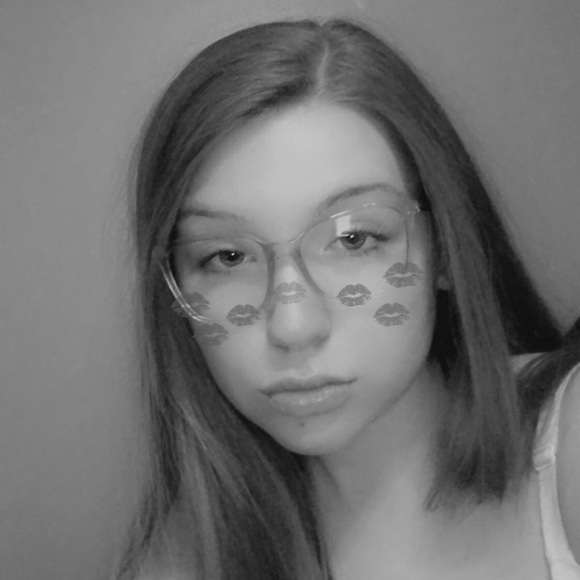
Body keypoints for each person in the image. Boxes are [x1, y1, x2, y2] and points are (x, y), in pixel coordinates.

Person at [115, 17, 580, 580]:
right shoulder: (191, 553)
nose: (292, 326)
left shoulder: (566, 444)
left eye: (354, 239)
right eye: (227, 257)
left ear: (445, 248)